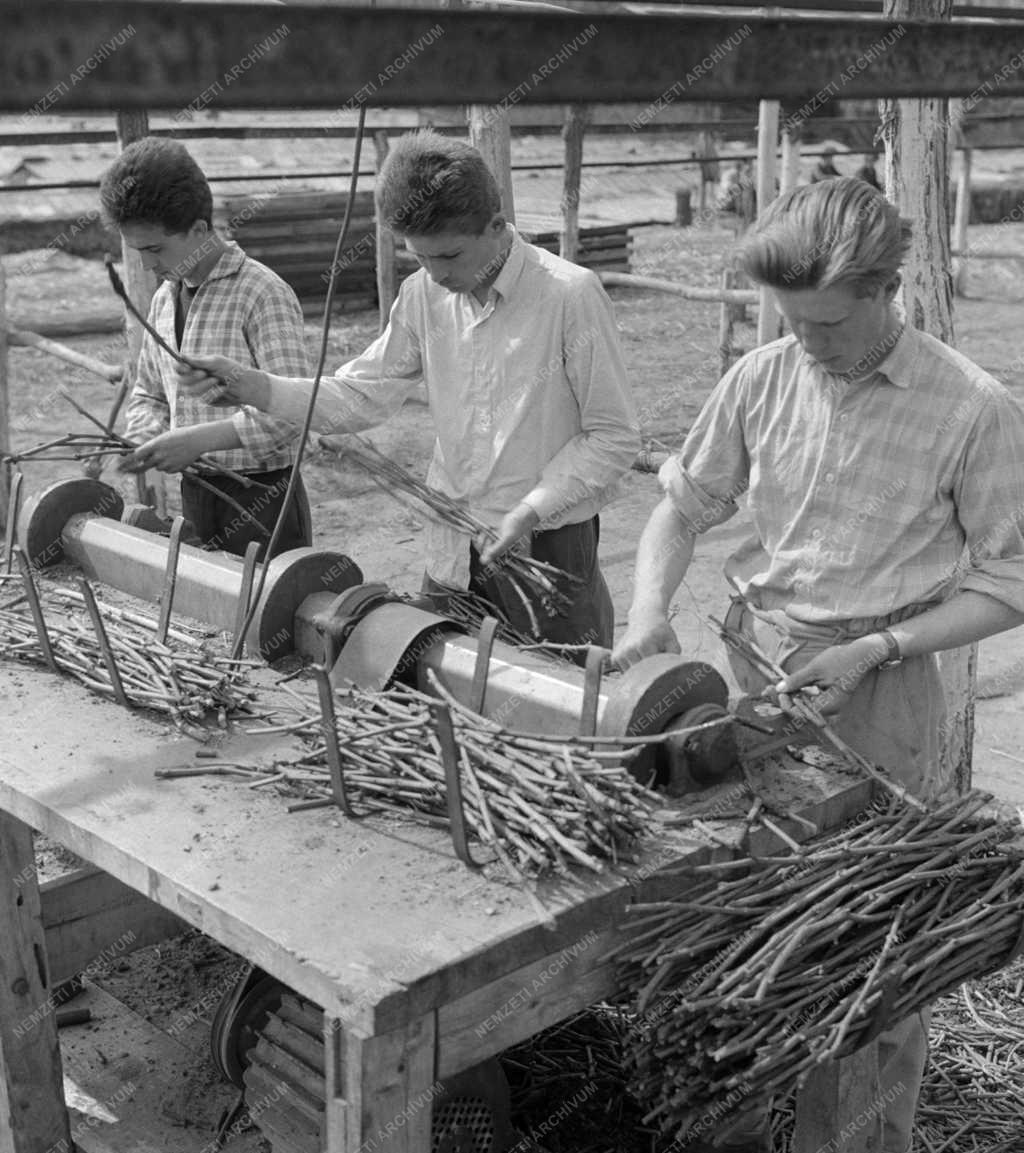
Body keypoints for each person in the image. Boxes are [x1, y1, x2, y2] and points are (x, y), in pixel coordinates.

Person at [612, 176, 1024, 1152]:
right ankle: (746, 1117)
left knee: (865, 948)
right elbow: (682, 505)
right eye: (791, 322)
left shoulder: (972, 408)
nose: (808, 343)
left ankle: (863, 1139)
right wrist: (646, 607)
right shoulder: (759, 377)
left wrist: (879, 646)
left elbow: (1012, 580)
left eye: (828, 324)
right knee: (749, 913)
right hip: (751, 679)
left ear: (888, 292)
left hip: (876, 693)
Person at [172, 131, 639, 652]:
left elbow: (612, 437)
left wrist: (532, 509)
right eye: (421, 259)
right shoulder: (423, 296)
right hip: (453, 546)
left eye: (450, 256)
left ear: (497, 225)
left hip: (547, 545)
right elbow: (362, 394)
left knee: (563, 697)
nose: (437, 275)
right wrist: (253, 385)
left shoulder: (568, 296)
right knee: (446, 685)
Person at [99, 136, 311, 558]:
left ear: (199, 229)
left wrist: (198, 440)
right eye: (136, 251)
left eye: (154, 249)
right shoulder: (164, 299)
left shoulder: (261, 293)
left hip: (264, 499)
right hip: (197, 492)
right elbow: (150, 391)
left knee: (270, 612)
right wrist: (144, 439)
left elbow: (293, 413)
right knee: (211, 612)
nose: (145, 264)